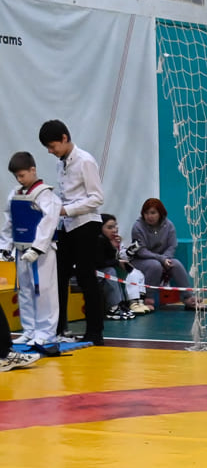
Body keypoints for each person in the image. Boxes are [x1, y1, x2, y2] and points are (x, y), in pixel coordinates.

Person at [39, 120, 105, 346]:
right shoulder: (61, 164)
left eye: (52, 146)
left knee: (86, 277)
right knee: (58, 276)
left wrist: (67, 209)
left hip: (86, 224)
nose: (50, 151)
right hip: (67, 226)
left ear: (64, 138)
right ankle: (58, 328)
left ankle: (95, 332)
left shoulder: (85, 160)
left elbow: (97, 198)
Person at [4, 151, 61, 353]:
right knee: (25, 290)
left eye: (22, 175)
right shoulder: (15, 193)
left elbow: (49, 222)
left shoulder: (46, 194)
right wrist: (5, 246)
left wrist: (38, 247)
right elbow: (9, 221)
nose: (19, 179)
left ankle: (46, 333)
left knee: (43, 290)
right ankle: (29, 330)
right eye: (16, 176)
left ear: (33, 170)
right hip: (21, 249)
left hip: (41, 251)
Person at [129, 198, 200, 310]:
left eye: (153, 213)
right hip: (141, 260)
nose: (149, 216)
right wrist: (161, 259)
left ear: (160, 213)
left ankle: (188, 297)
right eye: (146, 213)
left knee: (175, 264)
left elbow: (172, 246)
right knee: (155, 265)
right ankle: (148, 298)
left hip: (163, 258)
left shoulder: (169, 225)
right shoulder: (137, 227)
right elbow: (141, 251)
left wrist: (165, 258)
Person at [97, 214, 148, 320]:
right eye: (110, 227)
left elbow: (117, 257)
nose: (114, 230)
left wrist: (116, 247)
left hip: (106, 269)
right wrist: (117, 261)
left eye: (115, 226)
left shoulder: (112, 241)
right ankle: (116, 306)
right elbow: (100, 262)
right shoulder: (98, 240)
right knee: (110, 272)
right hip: (91, 273)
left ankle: (133, 302)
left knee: (135, 273)